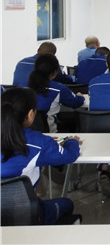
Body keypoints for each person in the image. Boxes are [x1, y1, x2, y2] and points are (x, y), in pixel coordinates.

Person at [1, 87, 81, 224]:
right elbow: (69, 156)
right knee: (67, 204)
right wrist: (72, 142)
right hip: (25, 214)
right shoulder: (38, 142)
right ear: (30, 114)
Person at [28, 54, 85, 132]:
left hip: (29, 134)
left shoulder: (27, 88)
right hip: (50, 134)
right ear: (55, 72)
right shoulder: (58, 89)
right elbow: (76, 103)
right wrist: (80, 97)